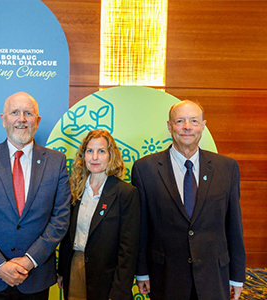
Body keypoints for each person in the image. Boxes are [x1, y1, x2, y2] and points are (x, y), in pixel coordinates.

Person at [131, 100, 246, 300]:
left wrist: (237, 276)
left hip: (214, 275)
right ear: (169, 126)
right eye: (180, 121)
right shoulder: (145, 169)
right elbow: (141, 227)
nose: (187, 127)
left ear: (203, 125)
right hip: (165, 275)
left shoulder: (227, 168)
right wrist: (142, 271)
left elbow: (234, 224)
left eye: (194, 121)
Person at [0, 91, 71, 300]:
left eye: (28, 113)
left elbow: (60, 218)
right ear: (3, 120)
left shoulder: (56, 162)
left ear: (37, 121)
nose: (21, 119)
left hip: (35, 276)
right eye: (15, 112)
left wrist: (30, 260)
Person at [58, 130, 140, 300]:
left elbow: (128, 250)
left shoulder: (125, 193)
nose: (94, 157)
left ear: (111, 156)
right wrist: (62, 271)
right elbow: (67, 235)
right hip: (75, 269)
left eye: (101, 151)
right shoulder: (75, 190)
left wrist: (120, 290)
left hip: (108, 279)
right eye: (90, 151)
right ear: (83, 156)